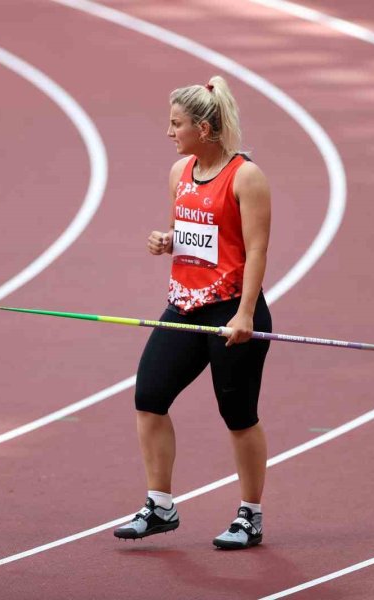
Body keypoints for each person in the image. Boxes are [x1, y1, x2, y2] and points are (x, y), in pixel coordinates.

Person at [113, 75, 272, 550]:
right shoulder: (179, 171)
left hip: (231, 313)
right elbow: (187, 232)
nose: (169, 132)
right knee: (149, 396)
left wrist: (245, 314)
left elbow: (257, 251)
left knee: (238, 415)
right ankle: (160, 505)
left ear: (204, 128)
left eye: (176, 123)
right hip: (182, 307)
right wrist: (166, 241)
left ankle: (251, 515)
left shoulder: (246, 177)